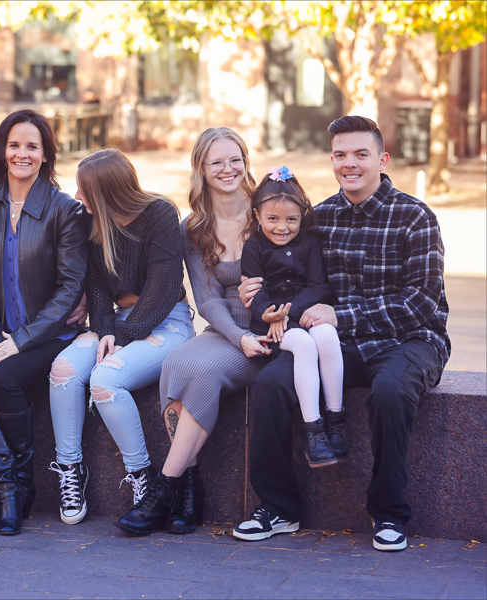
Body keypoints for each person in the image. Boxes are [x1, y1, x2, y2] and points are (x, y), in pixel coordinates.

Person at [235, 116, 450, 552]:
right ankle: (278, 507)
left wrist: (340, 316)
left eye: (359, 154)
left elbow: (420, 304)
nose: (348, 163)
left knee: (390, 391)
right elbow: (288, 272)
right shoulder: (319, 217)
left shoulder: (414, 216)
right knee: (271, 384)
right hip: (333, 344)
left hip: (409, 340)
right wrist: (255, 293)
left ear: (381, 159)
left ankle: (388, 513)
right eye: (339, 155)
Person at [125, 127, 269, 537]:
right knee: (174, 363)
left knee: (202, 373)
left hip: (266, 332)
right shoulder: (195, 228)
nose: (228, 169)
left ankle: (163, 490)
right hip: (227, 333)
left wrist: (251, 329)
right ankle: (190, 487)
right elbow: (206, 301)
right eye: (217, 162)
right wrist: (235, 335)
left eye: (235, 159)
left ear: (245, 160)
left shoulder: (268, 209)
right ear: (202, 170)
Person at [48, 148, 196, 530]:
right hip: (118, 322)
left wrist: (124, 336)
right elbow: (97, 288)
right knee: (64, 369)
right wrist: (108, 329)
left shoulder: (159, 214)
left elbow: (164, 289)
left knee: (104, 379)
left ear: (106, 191)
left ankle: (143, 480)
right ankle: (70, 472)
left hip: (167, 322)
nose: (77, 199)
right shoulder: (93, 222)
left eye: (84, 192)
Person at [0, 109, 88, 535]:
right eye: (14, 145)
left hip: (50, 334)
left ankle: (22, 488)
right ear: (1, 150)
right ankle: (8, 489)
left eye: (32, 146)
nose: (22, 153)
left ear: (46, 154)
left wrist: (21, 340)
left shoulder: (63, 210)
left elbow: (70, 288)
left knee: (4, 380)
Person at [241, 166, 345, 468]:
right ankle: (313, 429)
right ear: (258, 216)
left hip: (301, 312)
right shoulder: (254, 247)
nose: (281, 227)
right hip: (270, 324)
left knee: (326, 334)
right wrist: (272, 314)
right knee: (303, 344)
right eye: (272, 219)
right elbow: (254, 291)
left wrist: (291, 312)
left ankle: (336, 419)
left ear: (303, 216)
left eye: (291, 219)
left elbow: (318, 286)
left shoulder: (309, 243)